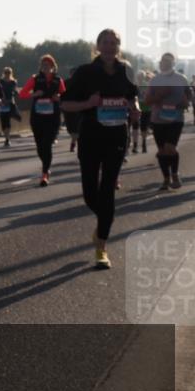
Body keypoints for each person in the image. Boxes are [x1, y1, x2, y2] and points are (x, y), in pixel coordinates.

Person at [61, 29, 139, 269]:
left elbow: (133, 97)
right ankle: (104, 221)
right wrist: (88, 103)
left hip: (117, 136)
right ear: (97, 46)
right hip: (91, 137)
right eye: (105, 43)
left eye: (113, 43)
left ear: (118, 47)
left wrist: (134, 108)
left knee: (107, 191)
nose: (109, 47)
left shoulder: (126, 71)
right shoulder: (85, 72)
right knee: (90, 195)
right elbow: (65, 104)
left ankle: (101, 246)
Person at [147, 53, 192, 190]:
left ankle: (175, 175)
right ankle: (166, 179)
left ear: (173, 63)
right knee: (162, 151)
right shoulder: (154, 80)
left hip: (176, 119)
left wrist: (185, 102)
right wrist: (160, 95)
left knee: (170, 148)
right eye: (162, 61)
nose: (164, 63)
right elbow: (147, 101)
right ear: (160, 63)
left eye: (168, 61)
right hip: (158, 120)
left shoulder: (181, 79)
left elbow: (189, 96)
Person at [19, 54, 66, 187]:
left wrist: (58, 97)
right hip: (38, 117)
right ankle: (46, 166)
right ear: (41, 66)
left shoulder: (58, 80)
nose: (45, 67)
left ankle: (45, 173)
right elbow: (22, 94)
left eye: (48, 65)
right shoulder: (35, 79)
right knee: (40, 146)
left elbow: (65, 95)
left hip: (53, 117)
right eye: (43, 65)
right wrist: (35, 94)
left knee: (47, 144)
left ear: (53, 66)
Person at [0, 67, 20, 148]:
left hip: (10, 103)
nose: (7, 74)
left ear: (11, 73)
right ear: (4, 73)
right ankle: (6, 136)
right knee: (3, 121)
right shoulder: (0, 82)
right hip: (2, 103)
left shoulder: (13, 82)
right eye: (6, 72)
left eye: (9, 72)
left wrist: (16, 92)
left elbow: (14, 91)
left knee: (7, 121)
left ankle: (7, 139)